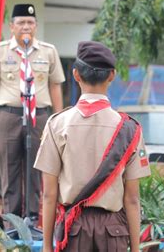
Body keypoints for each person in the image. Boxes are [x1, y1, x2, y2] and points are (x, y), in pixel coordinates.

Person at [34, 41, 151, 252]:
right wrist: (135, 249)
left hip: (73, 230)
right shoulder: (130, 129)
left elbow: (49, 194)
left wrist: (46, 247)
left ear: (76, 75)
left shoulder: (57, 124)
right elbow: (132, 199)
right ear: (112, 75)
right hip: (113, 231)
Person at [0, 3, 65, 218]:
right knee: (10, 170)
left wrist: (58, 120)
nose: (26, 26)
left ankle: (33, 219)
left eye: (30, 22)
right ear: (12, 26)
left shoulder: (48, 51)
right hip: (10, 115)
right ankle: (12, 223)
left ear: (36, 25)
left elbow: (55, 86)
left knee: (36, 170)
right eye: (21, 22)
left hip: (40, 116)